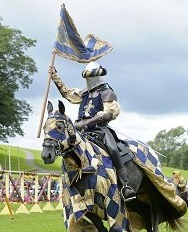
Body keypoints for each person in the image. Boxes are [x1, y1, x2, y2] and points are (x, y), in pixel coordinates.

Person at [49, 61, 136, 200]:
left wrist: (88, 121)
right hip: (82, 132)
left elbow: (109, 113)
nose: (90, 80)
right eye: (87, 77)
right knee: (68, 148)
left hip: (100, 130)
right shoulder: (84, 93)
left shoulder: (107, 93)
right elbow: (67, 93)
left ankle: (125, 185)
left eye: (92, 76)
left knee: (113, 150)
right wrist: (54, 76)